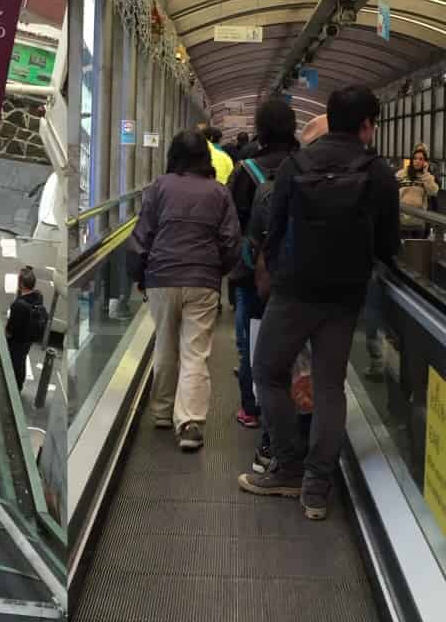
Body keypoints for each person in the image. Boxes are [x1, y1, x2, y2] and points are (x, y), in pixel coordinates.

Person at [239, 86, 399, 520]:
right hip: (346, 295)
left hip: (294, 290)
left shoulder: (297, 164)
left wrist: (279, 269)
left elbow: (274, 227)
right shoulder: (378, 171)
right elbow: (388, 243)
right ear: (367, 125)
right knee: (330, 386)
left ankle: (287, 466)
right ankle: (316, 487)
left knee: (267, 372)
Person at [127, 130, 241, 451]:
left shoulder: (160, 187)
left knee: (164, 345)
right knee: (195, 353)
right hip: (203, 280)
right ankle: (189, 423)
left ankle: (162, 412)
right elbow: (231, 240)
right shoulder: (219, 192)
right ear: (205, 158)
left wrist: (139, 274)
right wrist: (218, 272)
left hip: (161, 276)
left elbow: (142, 234)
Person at [227, 98, 298, 430]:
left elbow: (232, 224)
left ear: (261, 129)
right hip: (296, 271)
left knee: (250, 342)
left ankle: (251, 409)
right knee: (294, 346)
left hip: (253, 272)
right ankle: (291, 408)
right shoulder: (303, 166)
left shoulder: (245, 171)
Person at [4, 267, 48, 390]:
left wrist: (7, 330)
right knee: (21, 360)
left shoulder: (18, 305)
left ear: (21, 284)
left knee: (15, 361)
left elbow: (10, 330)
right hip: (28, 339)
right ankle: (19, 383)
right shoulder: (38, 296)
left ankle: (15, 386)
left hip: (18, 340)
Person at [397, 143, 438, 238]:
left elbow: (433, 192)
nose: (417, 161)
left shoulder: (427, 177)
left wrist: (425, 173)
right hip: (402, 221)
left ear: (425, 161)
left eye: (421, 159)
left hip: (419, 222)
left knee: (418, 250)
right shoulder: (401, 174)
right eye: (415, 158)